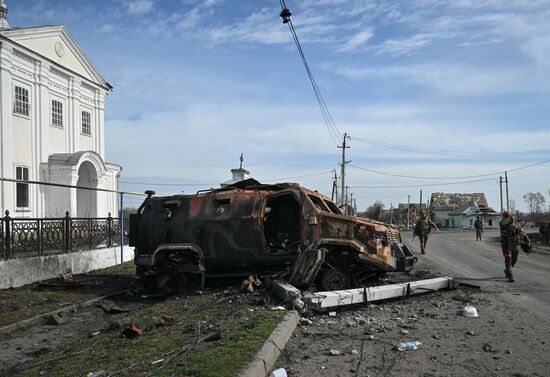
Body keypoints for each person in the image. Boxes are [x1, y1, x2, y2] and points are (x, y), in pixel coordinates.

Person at [499, 211, 520, 282]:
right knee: (508, 258)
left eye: (509, 216)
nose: (509, 218)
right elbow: (504, 227)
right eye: (507, 217)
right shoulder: (502, 222)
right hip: (505, 244)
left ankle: (507, 270)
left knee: (514, 259)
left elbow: (520, 230)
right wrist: (509, 222)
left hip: (514, 244)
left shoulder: (514, 222)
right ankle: (510, 275)